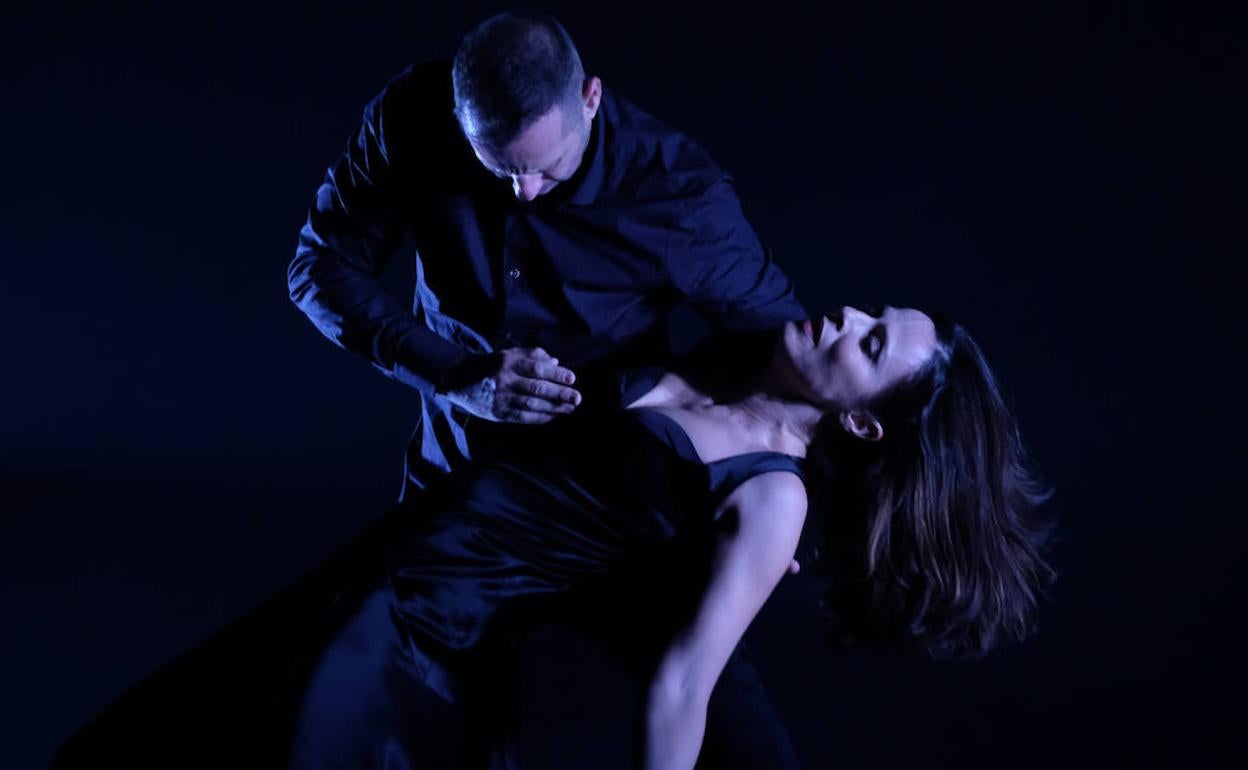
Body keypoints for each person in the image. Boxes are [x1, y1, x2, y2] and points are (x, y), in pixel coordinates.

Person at [286, 305, 1060, 769]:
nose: (848, 318)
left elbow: (684, 685)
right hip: (395, 556)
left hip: (428, 626)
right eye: (871, 313)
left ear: (862, 423)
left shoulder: (772, 497)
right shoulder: (728, 356)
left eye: (870, 345)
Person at [286, 8, 806, 501]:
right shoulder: (410, 114)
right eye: (501, 169)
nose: (525, 192)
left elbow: (792, 354)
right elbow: (319, 266)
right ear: (458, 116)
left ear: (590, 98)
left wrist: (765, 489)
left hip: (602, 503)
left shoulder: (678, 193)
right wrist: (453, 374)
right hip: (448, 479)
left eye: (548, 166)